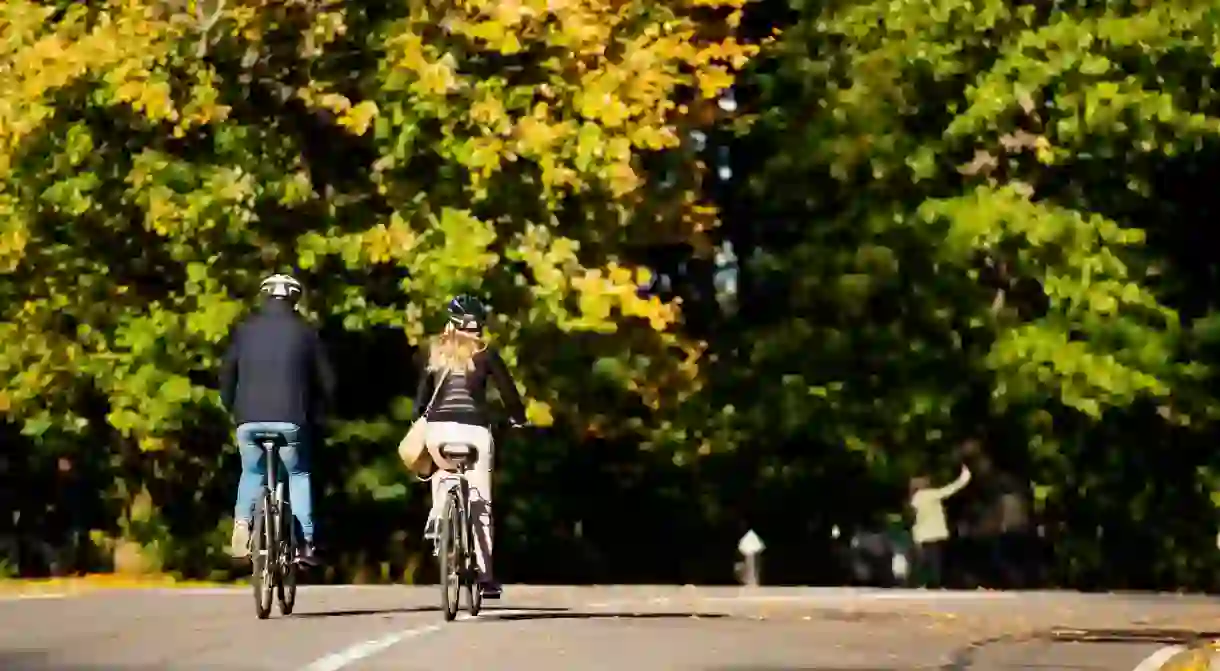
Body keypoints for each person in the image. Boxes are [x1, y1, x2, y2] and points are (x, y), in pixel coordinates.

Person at [415, 294, 526, 600]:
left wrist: (417, 422)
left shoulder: (435, 351)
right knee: (481, 501)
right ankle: (485, 575)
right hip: (475, 431)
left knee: (440, 472)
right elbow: (508, 391)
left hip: (438, 431)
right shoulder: (485, 353)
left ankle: (439, 517)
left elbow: (422, 398)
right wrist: (518, 418)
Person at [219, 273, 336, 566]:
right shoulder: (306, 332)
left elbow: (227, 374)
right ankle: (305, 541)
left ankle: (242, 527)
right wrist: (319, 411)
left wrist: (231, 406)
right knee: (297, 473)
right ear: (294, 299)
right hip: (291, 419)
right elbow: (327, 382)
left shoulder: (245, 330)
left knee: (252, 472)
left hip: (248, 420)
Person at [908, 464, 972, 588]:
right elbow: (947, 491)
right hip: (932, 535)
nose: (927, 481)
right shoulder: (926, 495)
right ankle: (930, 584)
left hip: (925, 535)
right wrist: (963, 479)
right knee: (933, 562)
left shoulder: (916, 498)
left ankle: (922, 584)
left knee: (927, 562)